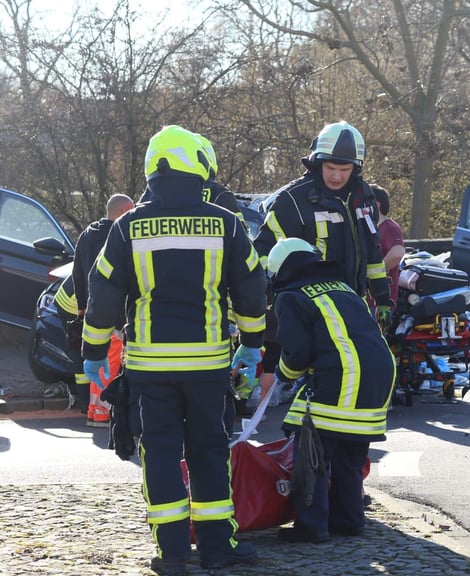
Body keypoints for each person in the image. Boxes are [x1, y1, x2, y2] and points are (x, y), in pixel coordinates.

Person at [81, 125, 267, 575]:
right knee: (209, 450)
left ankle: (172, 553)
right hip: (207, 364)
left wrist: (92, 350)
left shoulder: (128, 226)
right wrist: (253, 345)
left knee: (160, 453)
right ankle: (218, 548)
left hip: (149, 366)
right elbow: (251, 287)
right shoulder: (225, 223)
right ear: (200, 169)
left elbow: (102, 292)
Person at [266, 238, 395, 543]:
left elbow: (298, 353)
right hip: (380, 373)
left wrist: (282, 376)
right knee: (349, 455)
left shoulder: (291, 296)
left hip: (343, 373)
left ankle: (312, 527)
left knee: (311, 451)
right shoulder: (344, 288)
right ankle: (349, 521)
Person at [254, 121, 393, 330]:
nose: (337, 176)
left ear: (356, 167)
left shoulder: (363, 196)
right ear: (317, 162)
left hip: (353, 305)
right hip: (309, 311)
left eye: (344, 169)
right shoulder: (293, 200)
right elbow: (263, 254)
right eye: (331, 168)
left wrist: (382, 298)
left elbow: (372, 253)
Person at [63, 194, 135, 426]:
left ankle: (95, 410)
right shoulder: (121, 234)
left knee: (97, 360)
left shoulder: (86, 234)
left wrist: (82, 308)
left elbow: (77, 273)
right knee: (112, 361)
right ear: (124, 211)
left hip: (92, 311)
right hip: (114, 311)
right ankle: (104, 411)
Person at [369, 183, 405, 312]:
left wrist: (374, 275)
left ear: (377, 204)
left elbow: (397, 253)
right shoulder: (371, 228)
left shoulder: (389, 227)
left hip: (382, 301)